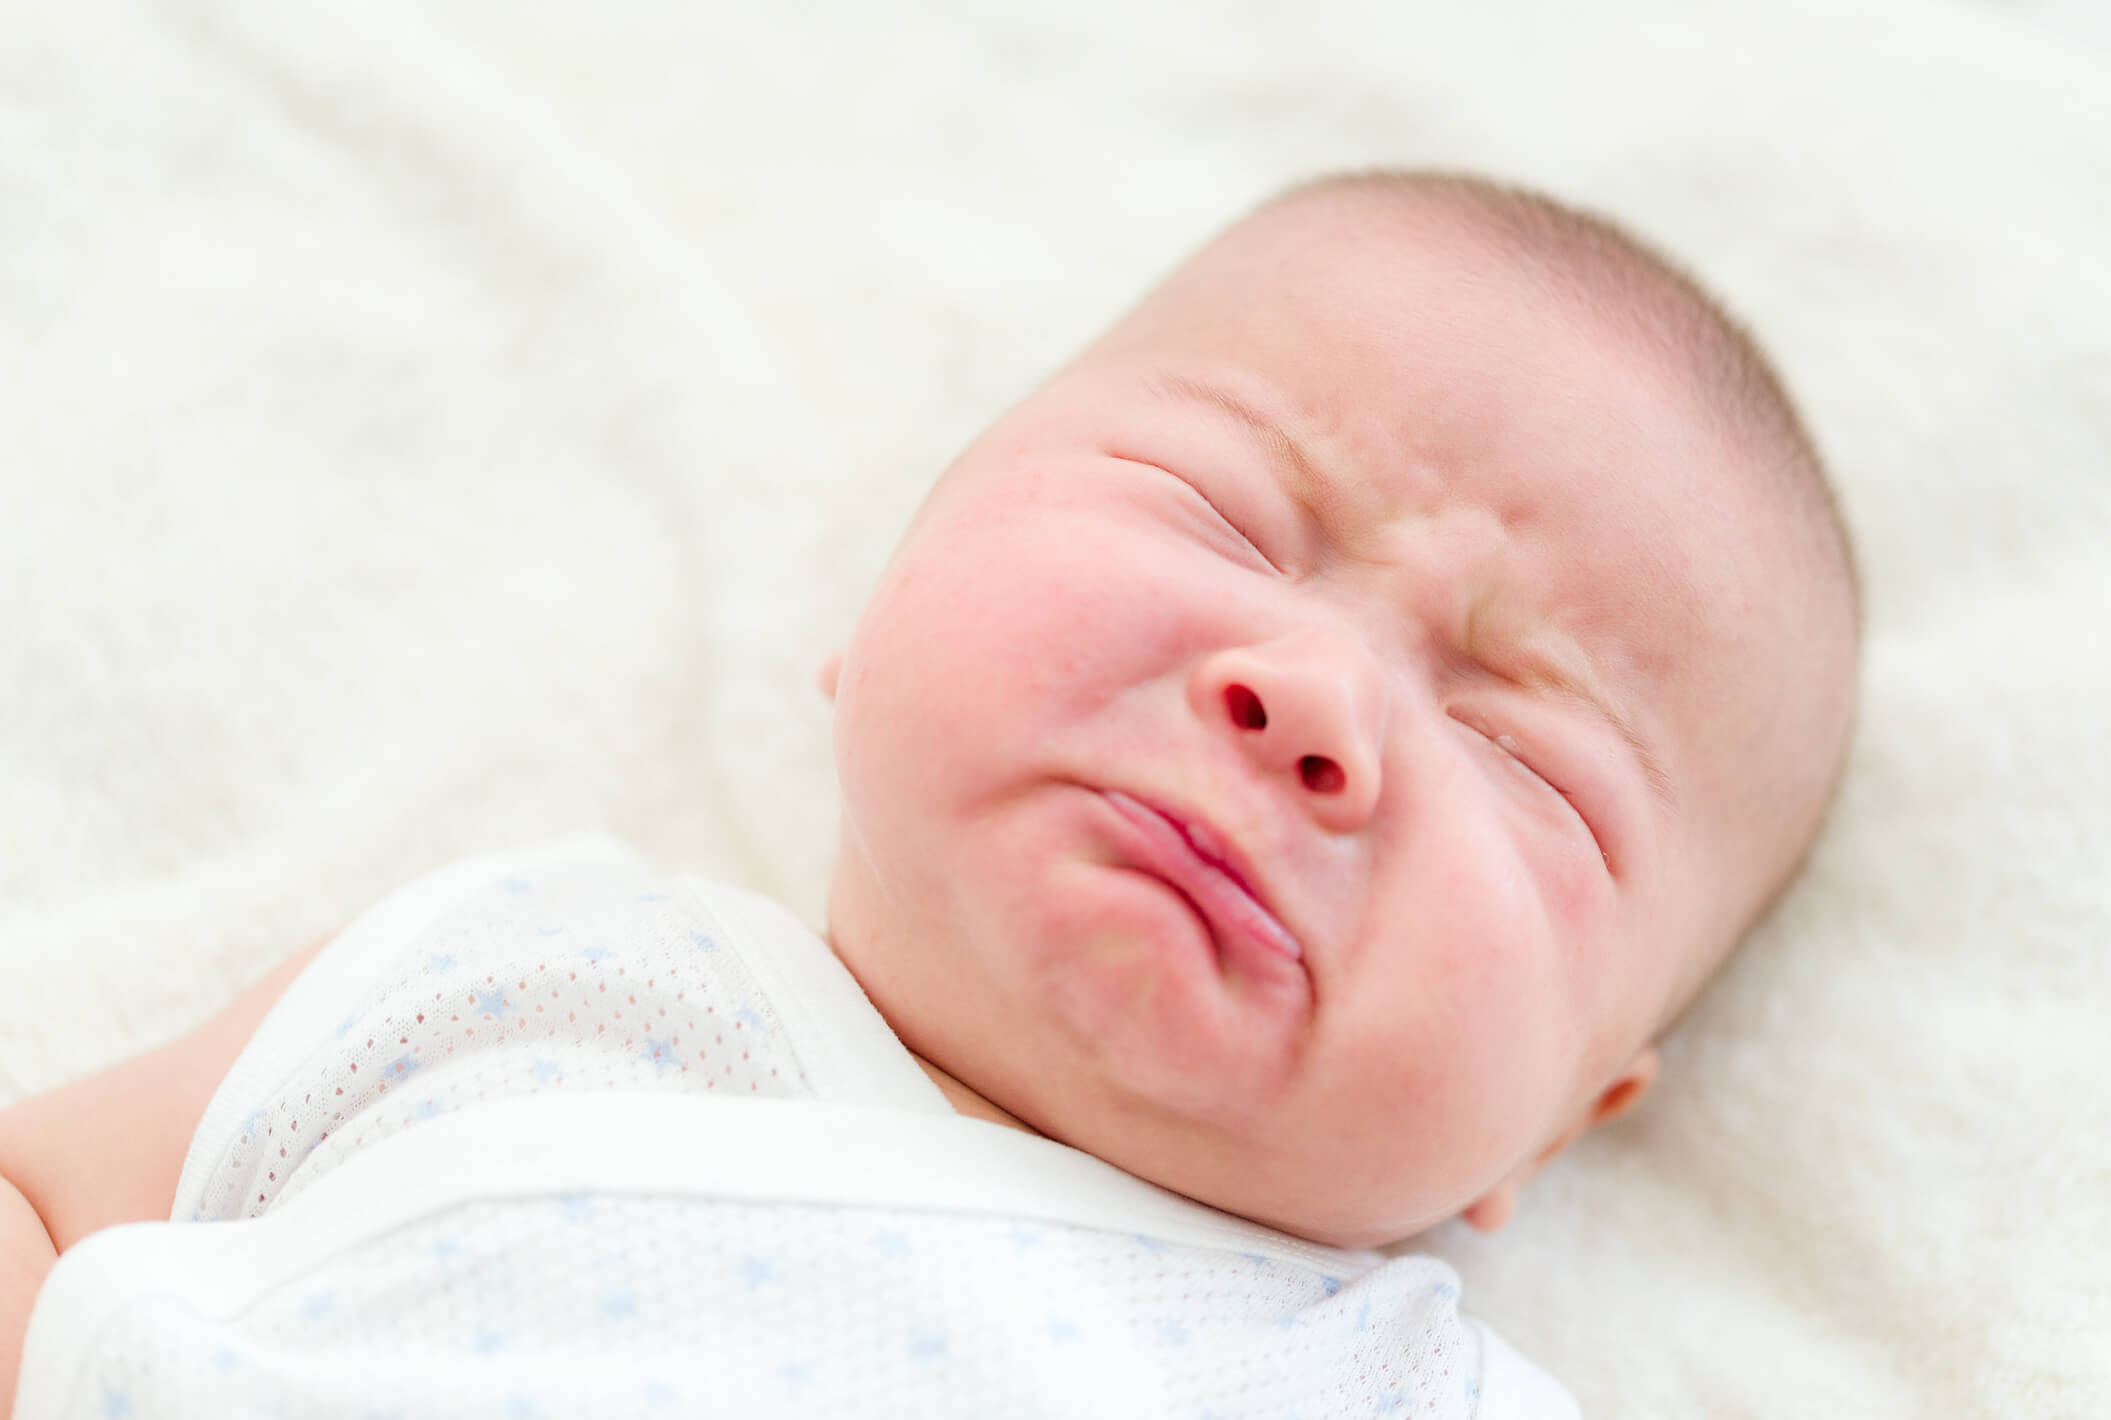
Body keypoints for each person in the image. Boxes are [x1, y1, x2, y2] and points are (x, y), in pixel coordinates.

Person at [0, 170, 1860, 1419]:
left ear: (1557, 1119)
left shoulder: (1390, 1383)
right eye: (1225, 513)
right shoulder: (514, 968)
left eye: (1528, 757)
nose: (1321, 708)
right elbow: (40, 1207)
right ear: (884, 598)